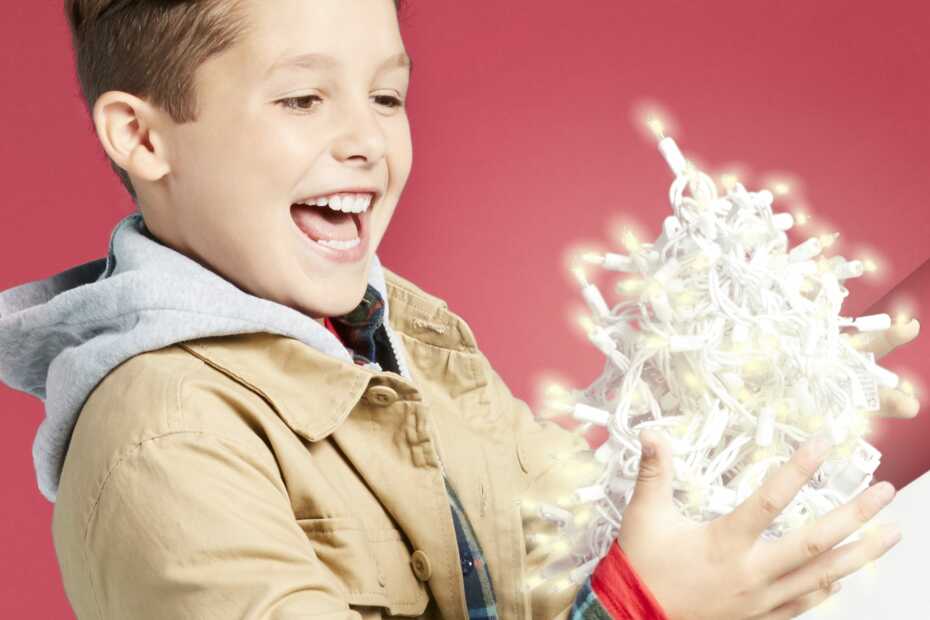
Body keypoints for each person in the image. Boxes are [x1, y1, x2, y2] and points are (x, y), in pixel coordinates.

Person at [0, 1, 920, 618]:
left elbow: (553, 559)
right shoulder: (162, 442)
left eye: (387, 95)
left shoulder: (406, 334)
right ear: (144, 135)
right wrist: (640, 606)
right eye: (303, 98)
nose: (366, 139)